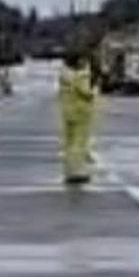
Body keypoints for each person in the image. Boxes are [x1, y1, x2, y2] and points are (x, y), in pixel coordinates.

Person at [57, 51, 96, 184]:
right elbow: (86, 92)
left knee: (69, 144)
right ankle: (77, 172)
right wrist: (94, 90)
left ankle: (68, 171)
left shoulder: (64, 75)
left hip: (67, 111)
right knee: (79, 144)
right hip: (80, 112)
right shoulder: (81, 76)